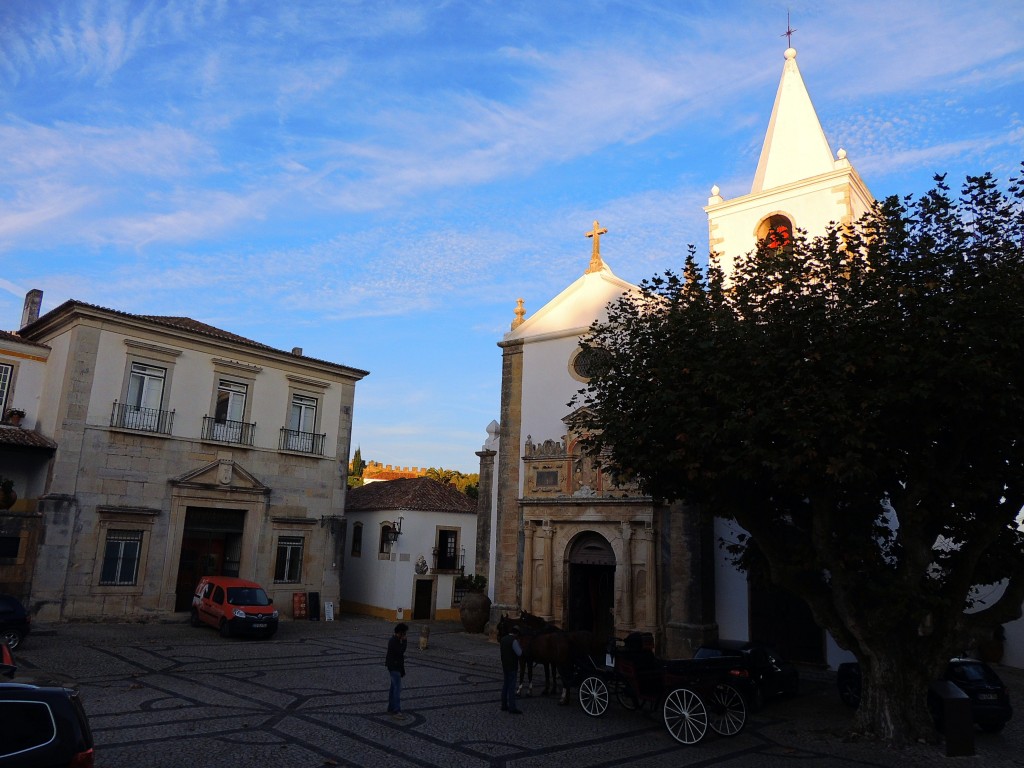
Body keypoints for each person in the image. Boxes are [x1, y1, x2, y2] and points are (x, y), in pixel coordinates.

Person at [386, 622, 408, 719]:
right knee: (397, 689)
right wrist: (404, 642)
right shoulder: (394, 641)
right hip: (394, 667)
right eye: (404, 633)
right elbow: (400, 652)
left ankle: (391, 707)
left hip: (394, 667)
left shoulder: (394, 640)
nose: (404, 635)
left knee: (393, 688)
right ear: (400, 633)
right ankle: (396, 710)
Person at [500, 625, 524, 714]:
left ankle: (504, 705)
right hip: (512, 666)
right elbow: (519, 653)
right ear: (516, 633)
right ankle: (512, 707)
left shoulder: (503, 639)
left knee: (505, 685)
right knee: (511, 687)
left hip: (505, 665)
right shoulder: (513, 641)